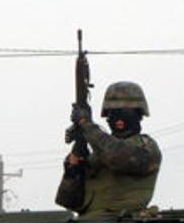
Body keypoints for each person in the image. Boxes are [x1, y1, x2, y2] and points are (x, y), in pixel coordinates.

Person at [63, 81, 162, 215]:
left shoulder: (147, 147)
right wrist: (77, 153)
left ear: (139, 115)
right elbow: (68, 200)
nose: (119, 118)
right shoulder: (98, 152)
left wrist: (86, 125)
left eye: (125, 112)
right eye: (113, 113)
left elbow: (117, 157)